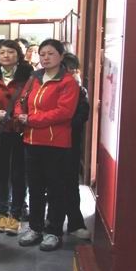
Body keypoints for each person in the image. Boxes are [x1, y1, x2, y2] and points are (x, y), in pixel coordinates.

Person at [16, 39, 79, 251]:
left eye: (50, 53)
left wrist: (32, 119)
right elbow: (21, 101)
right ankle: (35, 227)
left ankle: (53, 231)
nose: (45, 57)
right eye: (42, 54)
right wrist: (20, 114)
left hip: (55, 143)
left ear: (61, 56)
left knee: (55, 189)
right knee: (35, 188)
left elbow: (64, 113)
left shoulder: (68, 82)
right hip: (31, 140)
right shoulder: (34, 78)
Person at [0, 40, 33, 236]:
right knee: (2, 173)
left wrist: (22, 116)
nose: (6, 55)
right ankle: (3, 212)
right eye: (2, 52)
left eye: (10, 52)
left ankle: (16, 214)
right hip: (1, 131)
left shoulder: (28, 76)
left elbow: (32, 102)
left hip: (21, 131)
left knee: (19, 174)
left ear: (18, 54)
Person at [62, 52, 91, 240]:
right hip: (47, 143)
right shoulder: (44, 86)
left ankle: (75, 223)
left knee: (70, 184)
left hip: (70, 143)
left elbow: (81, 117)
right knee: (49, 185)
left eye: (71, 70)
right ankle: (50, 223)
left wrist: (59, 123)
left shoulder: (80, 91)